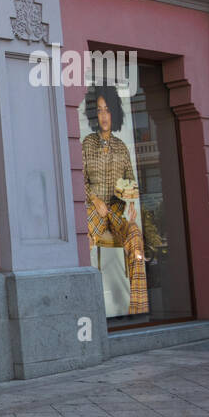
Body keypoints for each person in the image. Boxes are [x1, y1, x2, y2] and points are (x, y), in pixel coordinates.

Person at [82, 86, 148, 316]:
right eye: (99, 110)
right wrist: (93, 198)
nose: (103, 116)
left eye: (107, 110)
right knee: (85, 236)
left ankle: (138, 308)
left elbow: (130, 181)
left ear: (115, 114)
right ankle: (88, 309)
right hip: (95, 211)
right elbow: (79, 179)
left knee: (136, 238)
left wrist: (130, 204)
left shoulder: (122, 148)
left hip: (117, 214)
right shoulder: (88, 144)